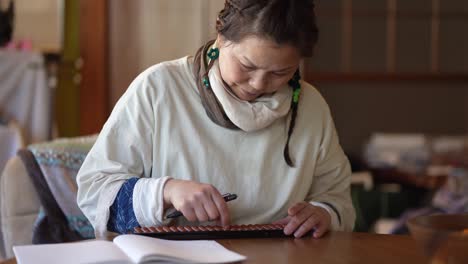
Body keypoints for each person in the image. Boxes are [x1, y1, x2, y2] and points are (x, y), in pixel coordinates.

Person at [77, 0, 355, 239]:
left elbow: (336, 198)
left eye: (280, 73)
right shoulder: (159, 88)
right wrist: (166, 191)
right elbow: (95, 193)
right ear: (221, 37)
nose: (258, 83)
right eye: (247, 65)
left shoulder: (310, 106)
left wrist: (324, 213)